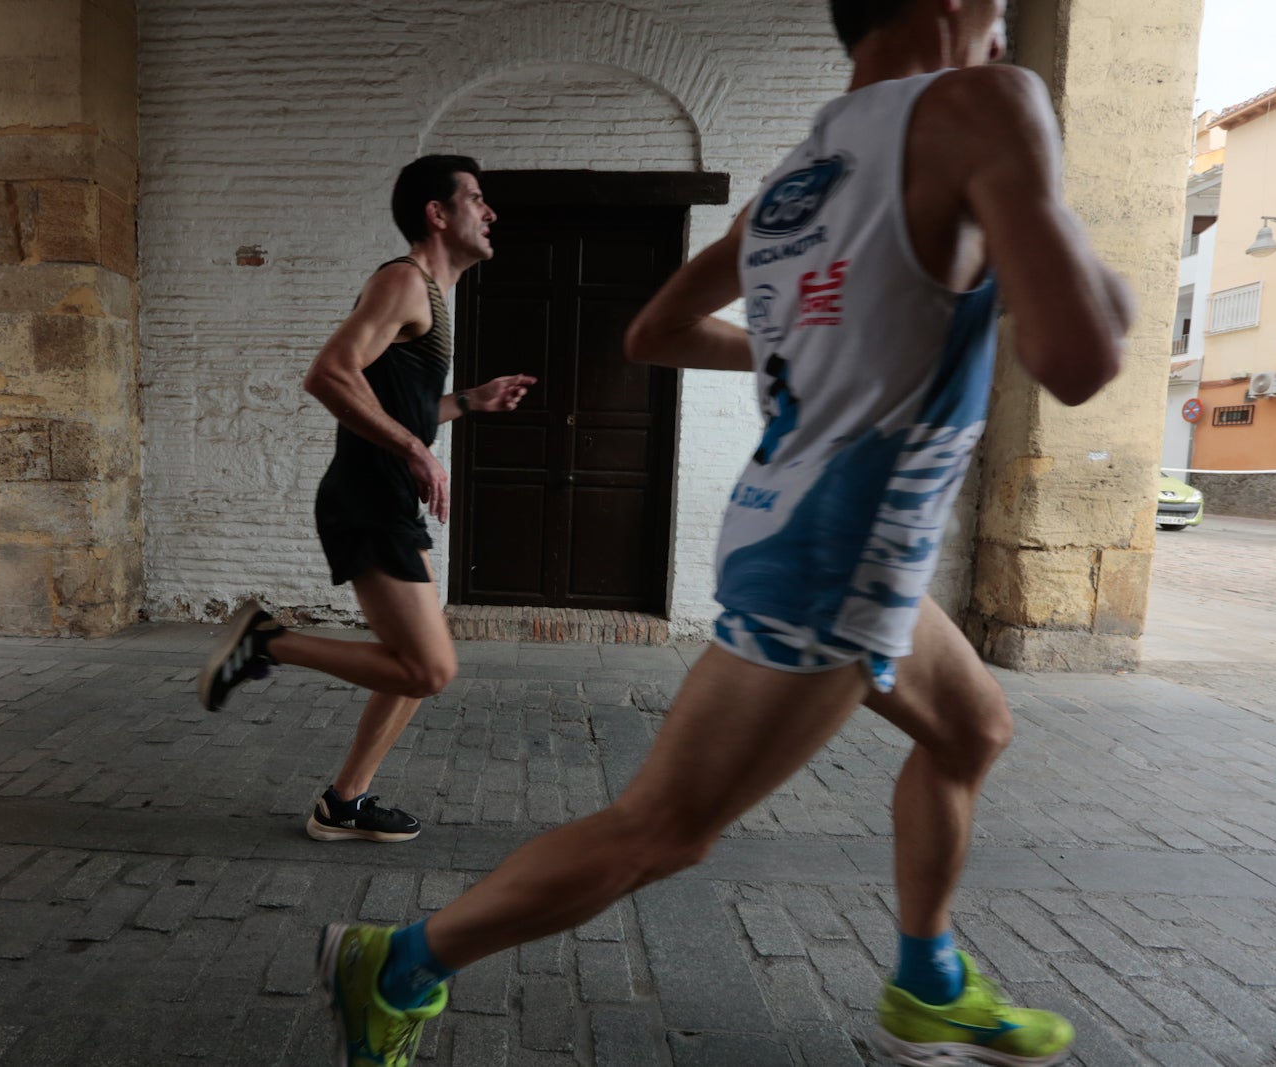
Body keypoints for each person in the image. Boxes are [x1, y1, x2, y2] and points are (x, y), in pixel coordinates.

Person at [313, 1, 1135, 1063]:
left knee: (972, 729)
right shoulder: (987, 103)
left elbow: (653, 331)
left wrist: (814, 356)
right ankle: (398, 963)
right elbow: (1079, 356)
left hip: (817, 533)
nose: (1006, 22)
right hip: (840, 558)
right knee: (663, 829)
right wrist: (1072, 246)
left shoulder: (804, 173)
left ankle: (928, 979)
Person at [198, 155, 535, 844]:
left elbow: (400, 408)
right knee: (430, 668)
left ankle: (344, 802)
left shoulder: (431, 299)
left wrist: (470, 401)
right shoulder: (403, 281)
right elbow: (327, 374)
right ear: (437, 214)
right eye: (476, 198)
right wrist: (413, 450)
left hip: (382, 495)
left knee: (416, 662)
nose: (490, 211)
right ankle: (266, 641)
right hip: (367, 495)